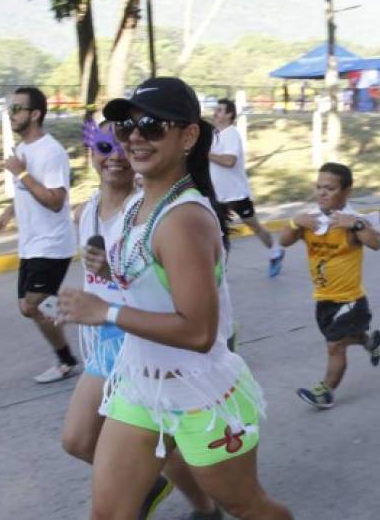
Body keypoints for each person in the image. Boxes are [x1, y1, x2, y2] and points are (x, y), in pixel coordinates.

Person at [57, 77, 292, 520]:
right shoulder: (136, 205)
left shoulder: (184, 219)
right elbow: (152, 276)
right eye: (127, 127)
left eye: (152, 125)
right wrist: (110, 272)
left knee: (249, 507)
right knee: (108, 513)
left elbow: (199, 331)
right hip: (138, 383)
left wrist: (105, 311)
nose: (135, 137)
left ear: (187, 136)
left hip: (198, 392)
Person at [61, 120, 221, 520]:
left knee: (146, 448)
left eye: (120, 146)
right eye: (102, 146)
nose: (114, 155)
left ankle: (197, 501)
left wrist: (110, 292)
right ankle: (170, 490)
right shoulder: (87, 212)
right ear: (90, 154)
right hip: (105, 337)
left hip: (140, 336)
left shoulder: (148, 210)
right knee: (79, 441)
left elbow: (164, 285)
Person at [279, 163, 380, 409]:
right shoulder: (310, 219)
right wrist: (295, 223)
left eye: (329, 188)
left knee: (335, 346)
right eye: (318, 187)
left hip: (350, 300)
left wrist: (356, 225)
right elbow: (283, 241)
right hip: (323, 298)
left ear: (346, 192)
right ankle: (370, 342)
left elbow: (376, 243)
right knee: (343, 337)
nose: (322, 193)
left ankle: (325, 392)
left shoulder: (353, 221)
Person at [0, 86, 79, 383]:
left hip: (52, 244)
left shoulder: (50, 151)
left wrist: (21, 173)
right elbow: (27, 192)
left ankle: (68, 357)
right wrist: (9, 211)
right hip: (30, 245)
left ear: (35, 114)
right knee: (28, 308)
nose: (12, 114)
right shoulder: (22, 150)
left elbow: (55, 201)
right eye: (10, 109)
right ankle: (83, 318)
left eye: (17, 108)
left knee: (35, 304)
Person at [209, 98, 286, 277]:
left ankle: (276, 251)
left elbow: (229, 161)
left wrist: (207, 154)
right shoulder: (214, 135)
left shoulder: (232, 134)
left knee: (255, 226)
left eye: (219, 110)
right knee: (219, 233)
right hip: (218, 195)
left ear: (229, 114)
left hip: (236, 194)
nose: (215, 113)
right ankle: (219, 272)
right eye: (216, 109)